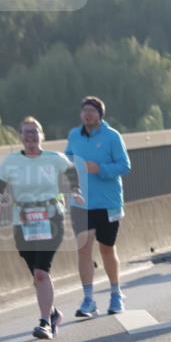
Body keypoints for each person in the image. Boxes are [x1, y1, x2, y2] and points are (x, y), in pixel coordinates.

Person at [0, 117, 81, 339]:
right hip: (23, 222)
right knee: (37, 274)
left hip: (51, 219)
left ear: (42, 135)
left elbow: (72, 171)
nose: (30, 136)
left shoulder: (54, 159)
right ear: (20, 137)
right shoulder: (11, 161)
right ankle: (53, 313)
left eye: (34, 132)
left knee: (41, 272)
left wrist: (76, 189)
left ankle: (45, 323)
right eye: (26, 132)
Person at [66, 96, 132, 316]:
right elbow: (67, 159)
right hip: (81, 203)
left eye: (92, 111)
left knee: (106, 249)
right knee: (84, 249)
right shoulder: (74, 135)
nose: (87, 114)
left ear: (100, 115)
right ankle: (88, 299)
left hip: (107, 202)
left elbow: (125, 165)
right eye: (84, 110)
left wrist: (100, 169)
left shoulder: (112, 137)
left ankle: (115, 293)